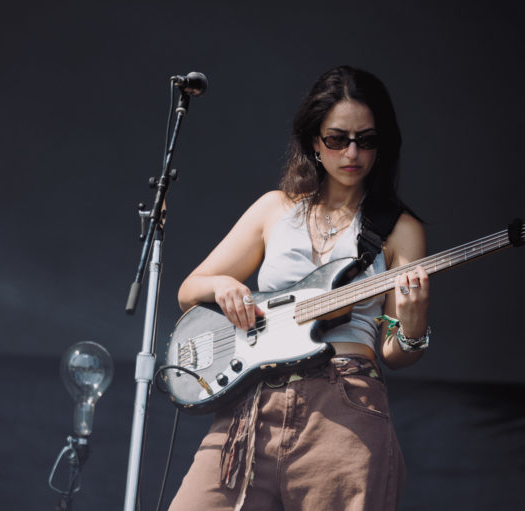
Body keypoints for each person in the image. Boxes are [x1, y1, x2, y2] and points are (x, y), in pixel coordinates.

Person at [168, 65, 430, 511]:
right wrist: (225, 286)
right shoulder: (274, 209)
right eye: (337, 139)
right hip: (253, 404)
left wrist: (413, 324)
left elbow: (395, 353)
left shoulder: (401, 230)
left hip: (344, 401)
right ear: (314, 141)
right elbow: (189, 289)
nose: (352, 152)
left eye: (366, 140)